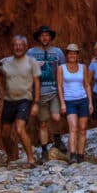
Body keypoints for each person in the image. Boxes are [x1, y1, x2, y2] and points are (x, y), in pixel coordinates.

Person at [0, 36, 40, 169]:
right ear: (12, 46)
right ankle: (11, 158)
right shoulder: (5, 62)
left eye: (21, 45)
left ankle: (31, 159)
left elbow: (37, 83)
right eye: (16, 45)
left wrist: (36, 103)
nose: (18, 47)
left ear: (25, 47)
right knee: (4, 133)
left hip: (24, 100)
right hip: (9, 101)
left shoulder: (31, 62)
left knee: (19, 129)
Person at [28, 25, 67, 161]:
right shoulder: (31, 53)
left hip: (54, 91)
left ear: (50, 37)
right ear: (39, 38)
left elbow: (63, 70)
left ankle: (57, 138)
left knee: (56, 117)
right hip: (39, 94)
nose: (44, 38)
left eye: (47, 35)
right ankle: (44, 149)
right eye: (42, 35)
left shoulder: (57, 52)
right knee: (43, 123)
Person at [57, 44, 93, 164]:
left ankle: (80, 155)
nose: (72, 55)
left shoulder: (83, 67)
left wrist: (90, 102)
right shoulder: (61, 68)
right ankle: (72, 155)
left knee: (82, 129)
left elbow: (87, 85)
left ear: (78, 55)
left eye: (74, 53)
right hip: (69, 101)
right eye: (70, 53)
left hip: (82, 99)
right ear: (67, 54)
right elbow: (59, 86)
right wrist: (62, 104)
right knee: (73, 128)